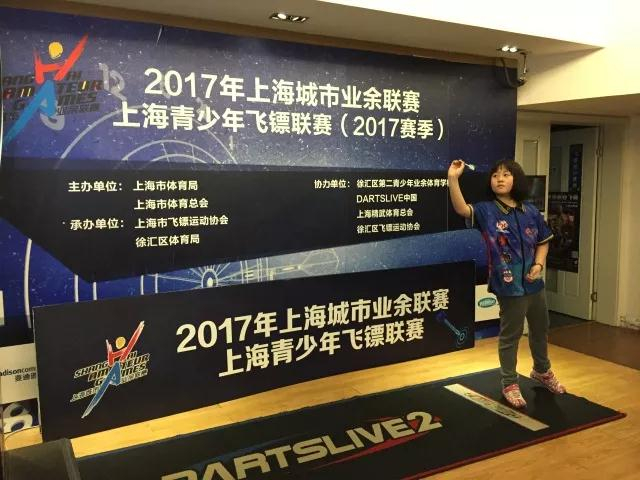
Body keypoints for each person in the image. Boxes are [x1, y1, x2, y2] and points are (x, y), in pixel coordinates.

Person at [447, 159, 566, 408]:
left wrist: (538, 265)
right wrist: (453, 179)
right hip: (508, 285)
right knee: (511, 335)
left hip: (534, 285)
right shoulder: (486, 210)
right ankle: (510, 382)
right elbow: (461, 209)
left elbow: (543, 241)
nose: (499, 179)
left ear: (516, 180)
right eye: (495, 175)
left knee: (540, 329)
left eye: (506, 175)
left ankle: (542, 371)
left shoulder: (530, 211)